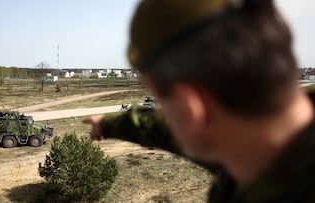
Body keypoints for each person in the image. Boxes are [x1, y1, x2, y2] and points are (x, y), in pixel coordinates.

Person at [84, 0, 315, 202]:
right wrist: (106, 124)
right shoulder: (250, 146)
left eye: (162, 103)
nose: (163, 115)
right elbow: (162, 130)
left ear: (190, 110)